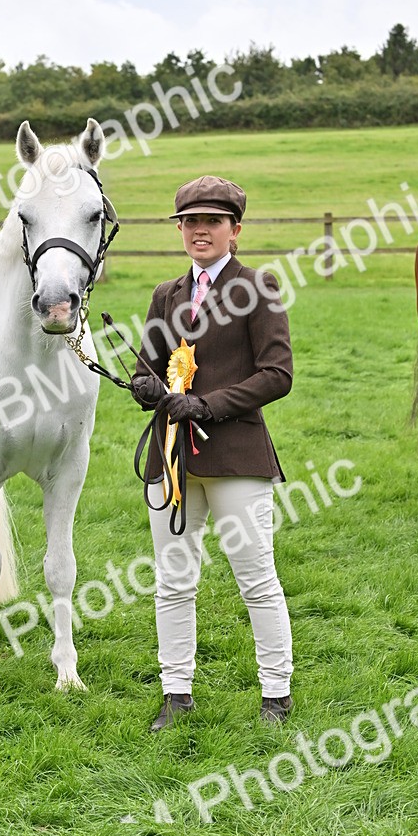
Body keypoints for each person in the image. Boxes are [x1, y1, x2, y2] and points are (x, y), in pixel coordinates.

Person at [131, 175, 294, 732]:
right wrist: (147, 388)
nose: (199, 230)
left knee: (256, 579)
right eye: (189, 222)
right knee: (174, 581)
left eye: (212, 222)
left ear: (235, 230)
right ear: (181, 230)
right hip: (172, 460)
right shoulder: (166, 295)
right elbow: (147, 367)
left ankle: (277, 695)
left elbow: (278, 374)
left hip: (237, 456)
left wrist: (207, 405)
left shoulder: (260, 287)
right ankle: (176, 694)